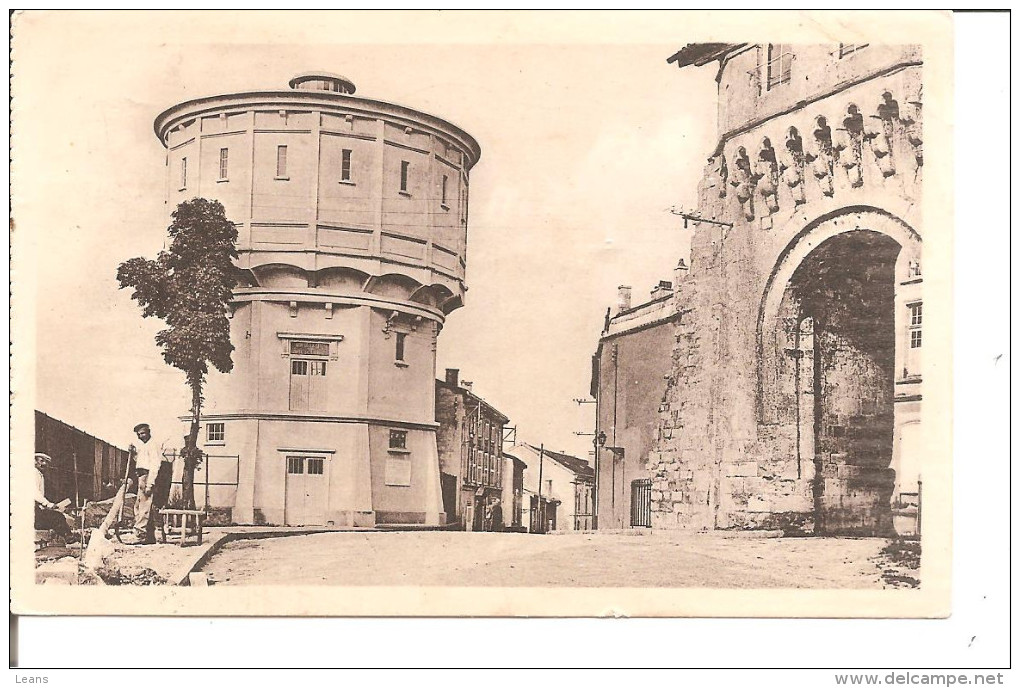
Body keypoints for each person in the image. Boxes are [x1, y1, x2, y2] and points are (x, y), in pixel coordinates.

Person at [129, 423, 174, 544]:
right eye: (138, 434)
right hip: (141, 476)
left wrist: (150, 484)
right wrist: (133, 453)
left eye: (142, 433)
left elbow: (155, 465)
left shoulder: (153, 445)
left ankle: (141, 535)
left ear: (149, 432)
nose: (140, 436)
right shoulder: (144, 446)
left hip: (148, 476)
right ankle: (149, 537)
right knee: (140, 506)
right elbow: (140, 461)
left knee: (144, 507)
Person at [34, 453, 71, 535]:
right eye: (41, 461)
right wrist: (47, 504)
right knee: (58, 517)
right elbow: (34, 493)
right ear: (34, 461)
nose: (44, 464)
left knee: (57, 516)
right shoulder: (34, 473)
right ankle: (69, 538)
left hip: (36, 509)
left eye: (46, 462)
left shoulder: (39, 474)